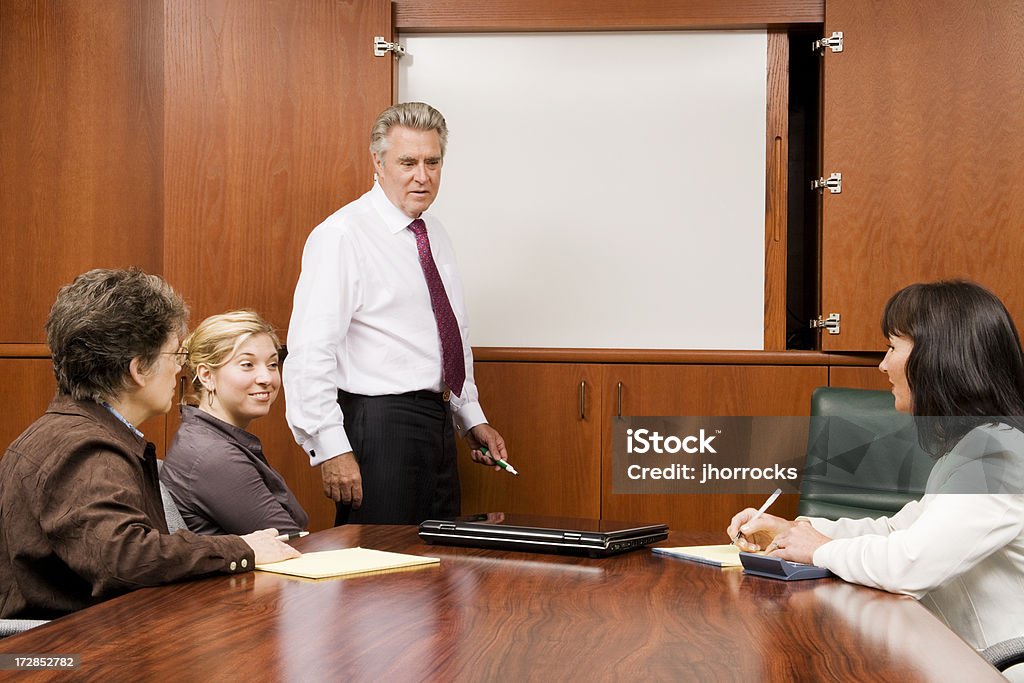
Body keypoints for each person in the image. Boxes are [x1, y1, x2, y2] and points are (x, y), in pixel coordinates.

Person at [727, 280, 1024, 652]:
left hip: (994, 665)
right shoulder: (977, 446)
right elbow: (896, 531)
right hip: (949, 652)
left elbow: (909, 563)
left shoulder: (998, 458)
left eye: (892, 347)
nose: (882, 364)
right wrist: (795, 529)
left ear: (937, 356)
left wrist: (818, 549)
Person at [0, 269, 299, 619]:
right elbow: (124, 560)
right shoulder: (87, 449)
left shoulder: (60, 432)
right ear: (139, 369)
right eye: (174, 356)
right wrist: (241, 548)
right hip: (69, 658)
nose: (179, 371)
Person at [284, 101, 508, 525]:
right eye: (408, 162)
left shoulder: (434, 233)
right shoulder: (341, 236)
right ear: (378, 161)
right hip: (378, 428)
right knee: (379, 577)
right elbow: (310, 352)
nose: (422, 176)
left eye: (432, 162)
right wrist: (330, 447)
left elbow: (447, 334)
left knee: (436, 569)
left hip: (437, 423)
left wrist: (470, 417)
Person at [161, 310, 308, 535]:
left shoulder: (206, 438)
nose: (266, 378)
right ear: (207, 375)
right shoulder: (213, 456)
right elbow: (289, 541)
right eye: (247, 365)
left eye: (272, 364)